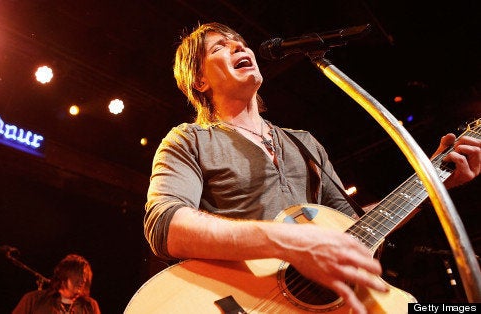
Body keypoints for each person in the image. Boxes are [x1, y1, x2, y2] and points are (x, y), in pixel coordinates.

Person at [143, 22, 480, 314]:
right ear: (199, 81)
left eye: (241, 43)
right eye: (220, 46)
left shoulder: (304, 141)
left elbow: (354, 226)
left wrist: (434, 183)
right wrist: (290, 241)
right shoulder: (189, 139)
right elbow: (165, 225)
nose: (238, 46)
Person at [12, 254, 100, 314]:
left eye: (85, 276)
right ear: (64, 276)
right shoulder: (34, 300)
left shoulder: (90, 305)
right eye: (79, 275)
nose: (83, 280)